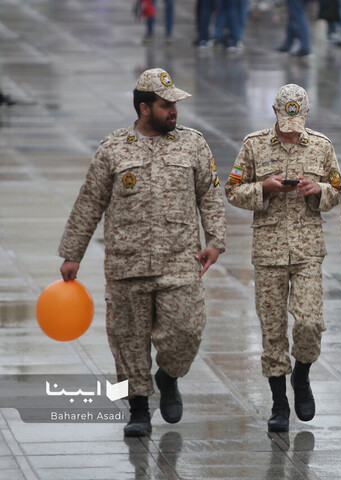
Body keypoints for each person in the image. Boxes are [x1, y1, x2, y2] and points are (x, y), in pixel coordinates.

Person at [57, 68, 226, 438]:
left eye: (175, 105)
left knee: (187, 331)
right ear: (145, 108)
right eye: (167, 105)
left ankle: (168, 376)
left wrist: (214, 241)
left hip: (180, 260)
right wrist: (73, 253)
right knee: (128, 340)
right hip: (126, 263)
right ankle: (138, 409)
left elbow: (210, 195)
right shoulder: (113, 149)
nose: (174, 112)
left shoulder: (193, 144)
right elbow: (89, 203)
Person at [224, 84, 341, 432]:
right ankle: (278, 402)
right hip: (269, 250)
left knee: (309, 322)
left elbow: (339, 190)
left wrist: (318, 190)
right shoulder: (254, 144)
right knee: (272, 328)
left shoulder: (321, 146)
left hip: (307, 249)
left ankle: (302, 373)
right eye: (285, 119)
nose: (291, 129)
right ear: (275, 112)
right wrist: (265, 188)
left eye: (297, 121)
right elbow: (232, 190)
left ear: (306, 115)